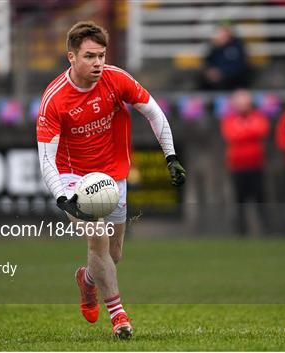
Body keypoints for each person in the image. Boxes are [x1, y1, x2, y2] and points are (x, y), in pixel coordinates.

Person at [36, 21, 186, 339]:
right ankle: (119, 316)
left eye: (102, 55)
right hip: (74, 179)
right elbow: (46, 159)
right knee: (98, 239)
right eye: (90, 56)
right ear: (71, 57)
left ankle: (87, 280)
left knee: (113, 255)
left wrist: (170, 156)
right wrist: (63, 197)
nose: (98, 63)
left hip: (113, 176)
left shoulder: (116, 79)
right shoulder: (55, 100)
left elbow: (154, 112)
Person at [221, 89, 270, 235]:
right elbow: (231, 135)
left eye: (245, 101)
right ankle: (241, 232)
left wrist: (244, 131)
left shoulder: (258, 116)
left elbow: (261, 131)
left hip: (256, 166)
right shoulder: (229, 119)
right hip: (237, 167)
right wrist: (248, 131)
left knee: (260, 200)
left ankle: (266, 231)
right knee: (239, 201)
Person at [200, 24, 250, 91]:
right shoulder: (214, 47)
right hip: (215, 77)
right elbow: (208, 61)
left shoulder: (237, 46)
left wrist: (221, 72)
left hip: (232, 77)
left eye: (223, 32)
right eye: (220, 33)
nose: (221, 35)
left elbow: (239, 66)